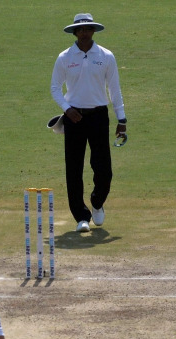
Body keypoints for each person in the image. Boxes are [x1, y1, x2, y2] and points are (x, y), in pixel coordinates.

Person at [50, 12, 127, 233]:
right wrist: (67, 109)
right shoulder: (65, 57)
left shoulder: (106, 56)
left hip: (99, 116)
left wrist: (121, 119)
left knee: (103, 169)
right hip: (74, 118)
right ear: (75, 32)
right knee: (73, 168)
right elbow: (55, 87)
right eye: (81, 30)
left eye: (88, 29)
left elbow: (114, 89)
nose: (85, 33)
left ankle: (97, 202)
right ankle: (81, 216)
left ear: (94, 31)